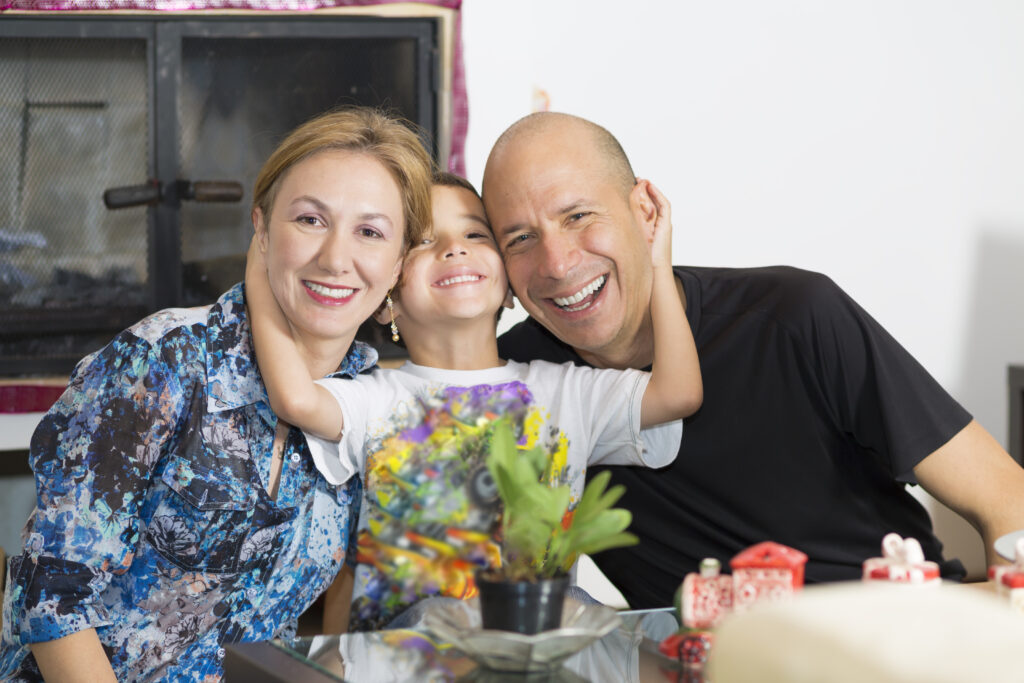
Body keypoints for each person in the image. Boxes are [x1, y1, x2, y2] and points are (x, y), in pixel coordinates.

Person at [483, 111, 1024, 609]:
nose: (556, 263)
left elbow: (1007, 498)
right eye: (521, 238)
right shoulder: (516, 390)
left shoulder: (794, 316)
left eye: (577, 216)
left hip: (893, 637)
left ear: (644, 211)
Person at [0, 107, 433, 682]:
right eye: (309, 220)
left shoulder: (370, 406)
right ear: (261, 227)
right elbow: (51, 595)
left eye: (370, 232)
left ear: (399, 262)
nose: (334, 258)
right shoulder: (163, 361)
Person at [245, 171, 702, 631]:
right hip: (412, 654)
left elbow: (678, 393)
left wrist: (656, 263)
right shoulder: (377, 398)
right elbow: (296, 400)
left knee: (577, 606)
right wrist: (260, 265)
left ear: (508, 287)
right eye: (424, 241)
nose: (454, 247)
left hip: (538, 647)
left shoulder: (567, 392)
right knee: (442, 613)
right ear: (386, 301)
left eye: (474, 234)